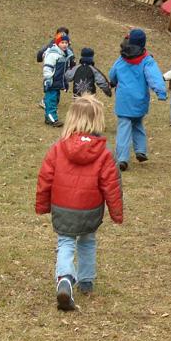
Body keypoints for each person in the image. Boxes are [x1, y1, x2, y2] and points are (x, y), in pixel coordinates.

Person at [35, 95, 123, 310]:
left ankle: (65, 278)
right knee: (87, 241)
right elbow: (112, 186)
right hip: (90, 209)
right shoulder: (104, 153)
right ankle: (86, 280)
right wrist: (116, 213)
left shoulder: (57, 148)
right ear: (97, 121)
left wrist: (42, 204)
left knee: (65, 242)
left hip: (63, 208)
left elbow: (45, 177)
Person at [108, 28, 167, 171]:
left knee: (124, 128)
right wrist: (161, 92)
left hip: (123, 100)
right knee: (138, 123)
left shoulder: (121, 58)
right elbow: (155, 77)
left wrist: (113, 82)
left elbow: (112, 74)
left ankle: (122, 158)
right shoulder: (147, 60)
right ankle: (141, 150)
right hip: (139, 100)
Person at [42, 31, 74, 127]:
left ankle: (49, 117)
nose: (64, 45)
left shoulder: (65, 55)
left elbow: (65, 71)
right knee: (51, 100)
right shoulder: (53, 54)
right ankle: (53, 119)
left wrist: (65, 83)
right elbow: (47, 67)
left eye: (66, 43)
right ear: (57, 43)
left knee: (55, 100)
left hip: (58, 82)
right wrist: (48, 79)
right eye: (62, 43)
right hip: (52, 82)